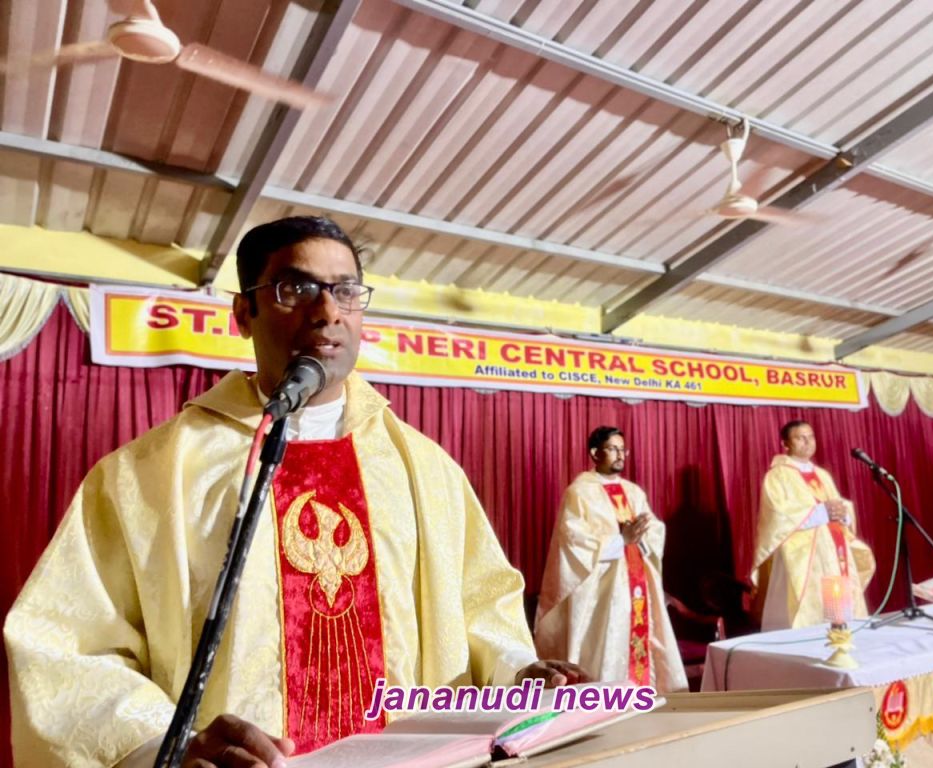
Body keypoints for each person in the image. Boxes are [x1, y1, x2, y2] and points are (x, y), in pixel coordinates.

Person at [5, 216, 584, 768]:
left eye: (346, 290)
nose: (327, 311)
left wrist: (519, 670)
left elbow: (481, 607)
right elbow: (69, 647)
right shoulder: (148, 475)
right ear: (244, 312)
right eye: (296, 288)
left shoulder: (425, 470)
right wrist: (165, 746)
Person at [533, 427, 687, 693]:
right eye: (613, 449)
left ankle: (643, 695)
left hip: (637, 588)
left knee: (640, 645)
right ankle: (606, 701)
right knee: (607, 653)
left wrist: (644, 532)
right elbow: (573, 542)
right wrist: (620, 540)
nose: (620, 455)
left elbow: (654, 530)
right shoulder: (580, 493)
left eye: (623, 449)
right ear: (595, 453)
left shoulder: (634, 492)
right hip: (602, 596)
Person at [752, 420, 876, 630]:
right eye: (800, 438)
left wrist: (843, 513)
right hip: (802, 555)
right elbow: (777, 516)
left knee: (840, 607)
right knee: (811, 612)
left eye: (811, 437)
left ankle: (843, 637)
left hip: (834, 547)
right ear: (785, 444)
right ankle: (813, 641)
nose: (808, 442)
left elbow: (836, 505)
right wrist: (822, 512)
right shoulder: (777, 475)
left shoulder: (822, 474)